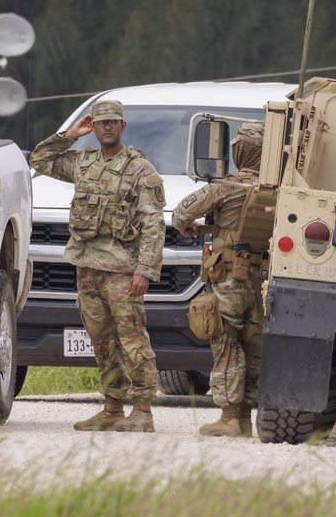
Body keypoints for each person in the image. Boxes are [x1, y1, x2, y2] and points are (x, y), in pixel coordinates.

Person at [29, 100, 166, 432]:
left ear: (122, 127)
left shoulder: (139, 170)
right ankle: (112, 407)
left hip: (122, 270)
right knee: (101, 340)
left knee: (132, 339)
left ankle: (143, 410)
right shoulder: (82, 163)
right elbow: (39, 159)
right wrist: (71, 135)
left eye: (112, 122)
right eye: (101, 122)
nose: (106, 127)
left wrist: (144, 270)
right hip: (87, 267)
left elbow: (153, 224)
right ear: (95, 127)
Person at [170, 122, 267, 437]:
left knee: (225, 343)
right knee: (253, 349)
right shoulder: (276, 190)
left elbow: (180, 214)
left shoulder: (227, 186)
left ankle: (228, 417)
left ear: (242, 151)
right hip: (262, 280)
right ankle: (244, 420)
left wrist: (191, 225)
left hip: (228, 278)